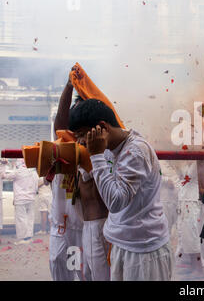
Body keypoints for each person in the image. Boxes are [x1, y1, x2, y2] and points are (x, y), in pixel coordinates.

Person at [69, 98, 173, 281]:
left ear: (102, 127)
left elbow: (116, 202)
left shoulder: (135, 151)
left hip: (143, 250)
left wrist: (96, 156)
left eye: (81, 135)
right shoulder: (110, 148)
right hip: (123, 243)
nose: (81, 142)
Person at [49, 74, 84, 281]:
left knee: (87, 274)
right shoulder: (64, 143)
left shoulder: (97, 145)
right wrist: (69, 86)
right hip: (61, 228)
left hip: (86, 226)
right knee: (59, 271)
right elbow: (60, 124)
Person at [173, 161, 204, 280]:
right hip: (184, 200)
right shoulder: (185, 161)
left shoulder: (195, 161)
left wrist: (180, 165)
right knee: (186, 238)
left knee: (193, 237)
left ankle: (199, 270)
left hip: (192, 202)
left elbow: (187, 176)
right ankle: (192, 267)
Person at [2, 160, 39, 245]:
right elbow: (37, 185)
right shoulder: (33, 172)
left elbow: (3, 176)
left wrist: (3, 166)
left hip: (20, 199)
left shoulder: (18, 171)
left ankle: (23, 238)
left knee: (21, 219)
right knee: (30, 218)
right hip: (31, 199)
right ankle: (29, 237)